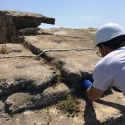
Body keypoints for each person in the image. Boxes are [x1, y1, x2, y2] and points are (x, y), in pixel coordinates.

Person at [82, 22, 125, 101]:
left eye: (99, 51)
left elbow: (92, 97)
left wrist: (88, 85)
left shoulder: (106, 63)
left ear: (103, 47)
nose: (101, 54)